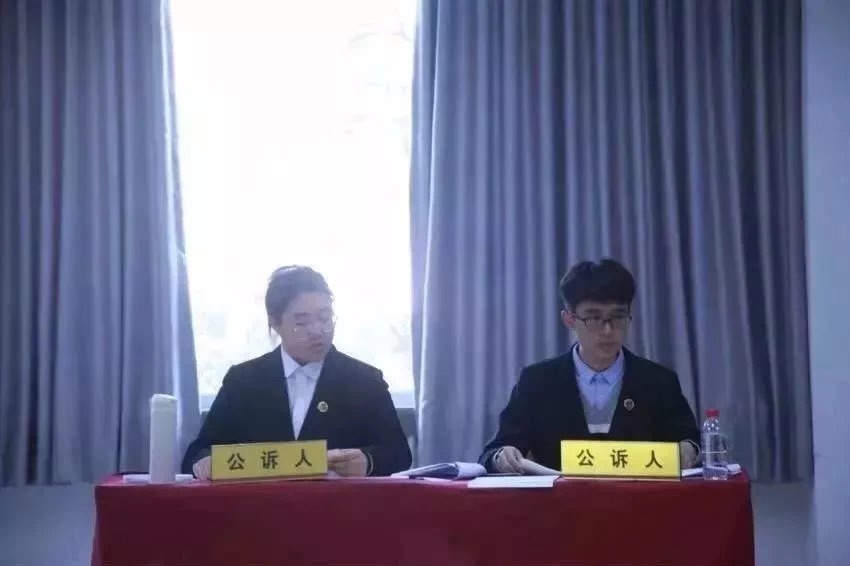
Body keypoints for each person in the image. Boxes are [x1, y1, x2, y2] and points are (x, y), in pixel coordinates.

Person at [183, 266, 412, 479]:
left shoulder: (365, 381)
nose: (317, 330)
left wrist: (368, 461)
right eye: (301, 322)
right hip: (261, 506)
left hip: (338, 506)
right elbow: (198, 453)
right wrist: (205, 463)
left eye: (324, 318)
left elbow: (399, 454)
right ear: (275, 322)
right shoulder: (243, 381)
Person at [480, 259, 700, 473]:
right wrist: (503, 456)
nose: (607, 330)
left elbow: (691, 439)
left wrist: (688, 449)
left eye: (618, 317)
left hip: (640, 496)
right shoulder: (537, 381)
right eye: (594, 318)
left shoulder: (658, 381)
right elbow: (494, 451)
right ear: (569, 319)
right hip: (562, 497)